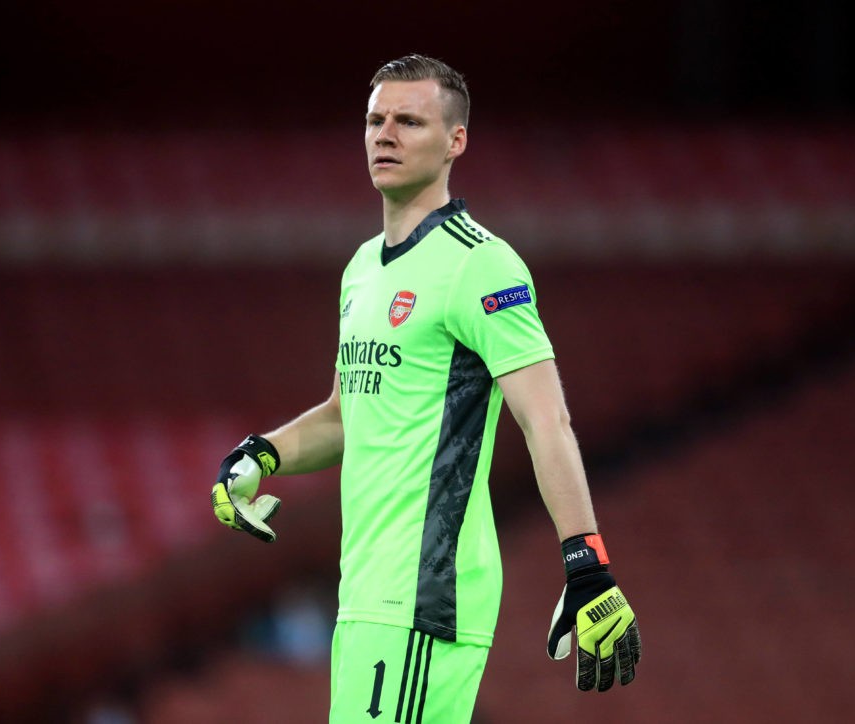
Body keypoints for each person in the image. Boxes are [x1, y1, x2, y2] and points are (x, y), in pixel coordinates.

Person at [211, 53, 641, 722]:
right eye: (375, 120)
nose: (385, 134)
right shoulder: (361, 270)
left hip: (423, 594)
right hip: (366, 596)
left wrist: (586, 564)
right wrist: (259, 454)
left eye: (409, 121)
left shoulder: (481, 264)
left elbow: (546, 420)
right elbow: (344, 416)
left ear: (455, 141)